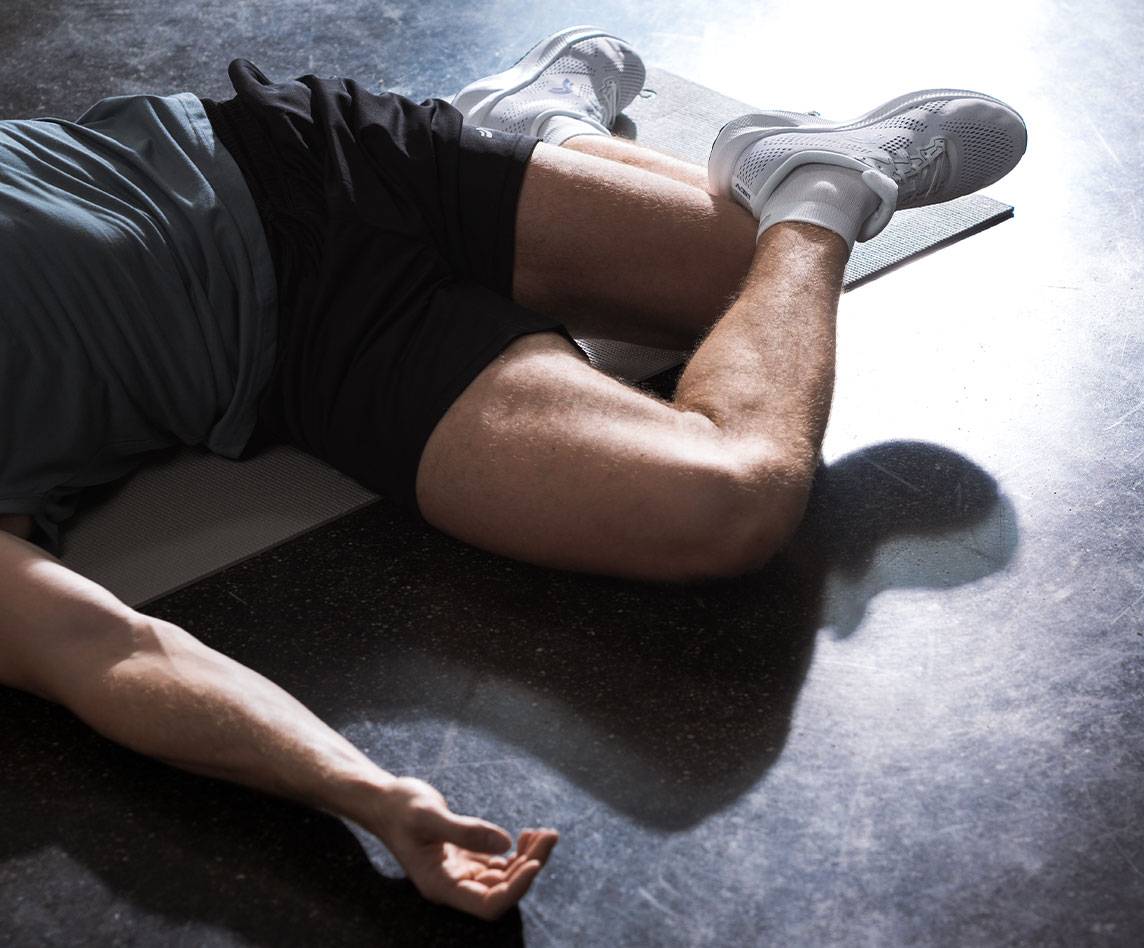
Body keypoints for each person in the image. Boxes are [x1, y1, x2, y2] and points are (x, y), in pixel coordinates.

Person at [0, 25, 1027, 920]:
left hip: (290, 167)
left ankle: (533, 131)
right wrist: (372, 797)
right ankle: (753, 171)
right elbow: (112, 652)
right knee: (740, 458)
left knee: (765, 299)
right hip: (318, 366)